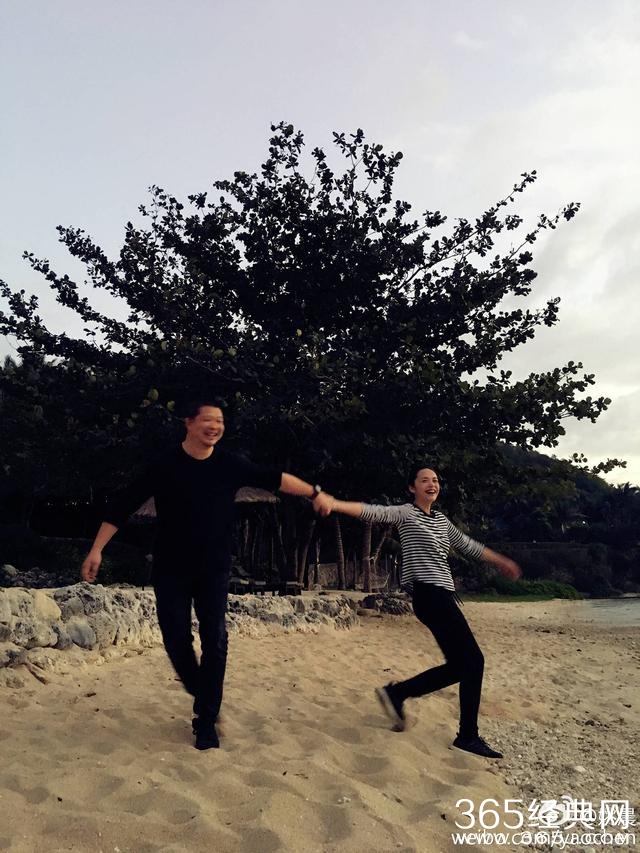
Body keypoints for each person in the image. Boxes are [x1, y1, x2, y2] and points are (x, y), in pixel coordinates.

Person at [81, 398, 333, 750]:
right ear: (189, 422)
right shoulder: (164, 466)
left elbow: (274, 478)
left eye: (220, 421)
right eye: (208, 419)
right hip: (170, 568)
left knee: (215, 639)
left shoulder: (230, 464)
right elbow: (123, 505)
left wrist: (315, 493)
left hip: (214, 567)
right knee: (176, 640)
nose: (215, 426)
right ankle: (203, 692)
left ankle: (206, 720)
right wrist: (97, 549)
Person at [312, 463, 521, 759]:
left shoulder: (441, 521)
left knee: (460, 666)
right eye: (424, 480)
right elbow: (373, 512)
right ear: (412, 487)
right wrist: (334, 503)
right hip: (429, 595)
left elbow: (468, 545)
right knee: (474, 660)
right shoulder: (406, 513)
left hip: (443, 596)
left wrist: (500, 561)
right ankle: (467, 736)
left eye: (435, 480)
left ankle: (397, 693)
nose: (431, 484)